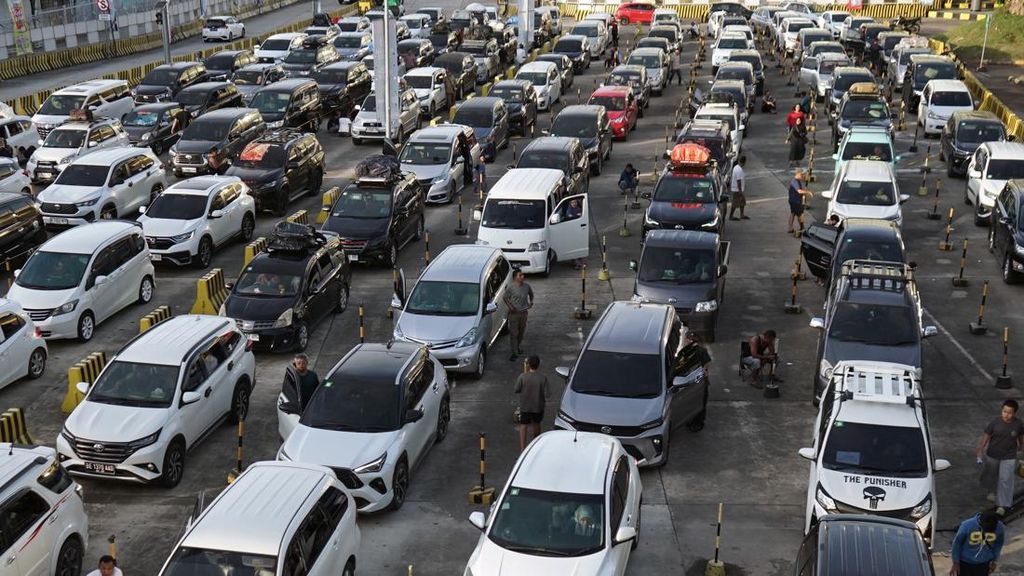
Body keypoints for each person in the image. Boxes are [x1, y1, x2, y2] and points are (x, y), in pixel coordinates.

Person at [977, 399, 1024, 516]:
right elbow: (986, 436)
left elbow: (1020, 436)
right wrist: (981, 448)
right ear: (1002, 410)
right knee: (991, 474)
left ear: (1014, 413)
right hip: (993, 454)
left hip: (1009, 456)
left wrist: (1021, 446)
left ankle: (1002, 505)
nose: (1006, 415)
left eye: (1009, 413)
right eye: (1004, 412)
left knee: (1006, 479)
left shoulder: (1018, 424)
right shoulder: (995, 423)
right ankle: (991, 491)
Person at [950, 510, 1005, 576]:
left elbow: (998, 544)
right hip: (965, 562)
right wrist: (955, 562)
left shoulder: (1000, 527)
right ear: (980, 523)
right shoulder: (966, 525)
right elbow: (957, 543)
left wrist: (995, 561)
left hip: (984, 563)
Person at [514, 354, 550, 451]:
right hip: (538, 406)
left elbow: (516, 389)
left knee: (523, 425)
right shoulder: (543, 378)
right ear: (538, 365)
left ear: (528, 365)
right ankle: (535, 445)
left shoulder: (522, 376)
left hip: (525, 406)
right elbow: (548, 394)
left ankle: (522, 448)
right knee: (536, 424)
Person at [503, 269, 533, 360]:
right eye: (520, 275)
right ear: (515, 277)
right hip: (514, 314)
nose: (522, 277)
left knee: (521, 332)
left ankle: (517, 347)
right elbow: (505, 298)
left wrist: (531, 302)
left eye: (523, 275)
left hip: (523, 313)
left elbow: (531, 294)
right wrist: (510, 307)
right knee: (513, 333)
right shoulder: (511, 288)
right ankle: (514, 353)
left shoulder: (527, 286)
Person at [788, 169, 814, 234]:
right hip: (795, 201)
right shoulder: (795, 182)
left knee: (793, 213)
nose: (803, 176)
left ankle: (790, 228)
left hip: (793, 200)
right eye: (802, 174)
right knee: (800, 215)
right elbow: (799, 191)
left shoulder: (797, 181)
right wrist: (808, 192)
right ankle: (802, 227)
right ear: (798, 174)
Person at [564, 199, 585, 269]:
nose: (574, 204)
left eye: (575, 202)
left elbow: (581, 216)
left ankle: (580, 262)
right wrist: (575, 216)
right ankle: (576, 263)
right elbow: (569, 216)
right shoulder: (569, 210)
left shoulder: (579, 209)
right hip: (571, 230)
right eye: (572, 202)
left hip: (578, 230)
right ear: (570, 203)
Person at [729, 155, 748, 220]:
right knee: (735, 203)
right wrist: (740, 191)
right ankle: (731, 216)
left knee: (742, 202)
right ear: (744, 162)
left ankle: (742, 214)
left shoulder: (736, 167)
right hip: (737, 190)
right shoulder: (739, 170)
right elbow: (738, 181)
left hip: (738, 189)